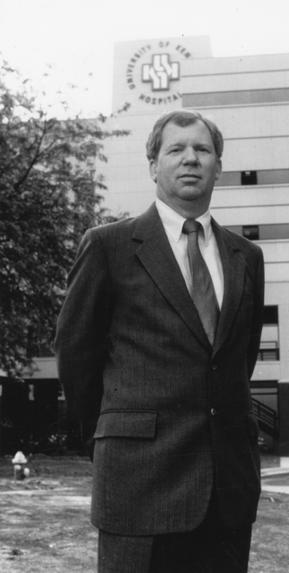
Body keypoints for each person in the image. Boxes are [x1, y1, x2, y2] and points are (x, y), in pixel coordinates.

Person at [55, 110, 265, 573]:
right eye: (175, 149)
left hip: (227, 487)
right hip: (138, 481)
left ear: (218, 165)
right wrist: (110, 437)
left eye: (202, 150)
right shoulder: (109, 246)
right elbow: (76, 354)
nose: (190, 159)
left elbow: (237, 360)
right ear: (153, 165)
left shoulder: (246, 257)